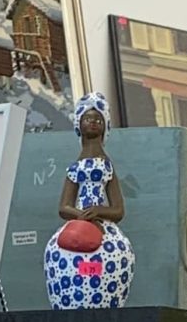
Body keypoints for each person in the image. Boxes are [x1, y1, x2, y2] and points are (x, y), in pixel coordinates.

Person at [43, 94, 135, 309]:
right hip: (78, 223)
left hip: (104, 228)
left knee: (114, 254)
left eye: (98, 120)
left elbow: (118, 210)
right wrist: (78, 214)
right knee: (58, 253)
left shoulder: (107, 168)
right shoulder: (75, 169)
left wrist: (98, 211)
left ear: (105, 127)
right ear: (79, 124)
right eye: (87, 119)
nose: (93, 123)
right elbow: (63, 207)